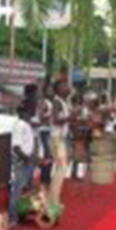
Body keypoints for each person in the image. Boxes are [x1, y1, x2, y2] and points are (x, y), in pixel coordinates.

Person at [10, 90, 39, 227]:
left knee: (24, 188)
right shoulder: (20, 125)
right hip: (21, 161)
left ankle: (20, 214)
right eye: (31, 109)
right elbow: (16, 147)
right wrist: (27, 159)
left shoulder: (26, 125)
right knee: (18, 189)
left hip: (26, 160)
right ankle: (12, 217)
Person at [48, 80, 72, 211]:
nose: (68, 88)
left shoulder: (63, 102)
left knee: (61, 168)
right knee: (62, 168)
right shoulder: (57, 102)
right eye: (64, 86)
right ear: (58, 89)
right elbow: (55, 120)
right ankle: (53, 200)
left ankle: (53, 199)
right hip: (57, 139)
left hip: (60, 138)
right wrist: (70, 118)